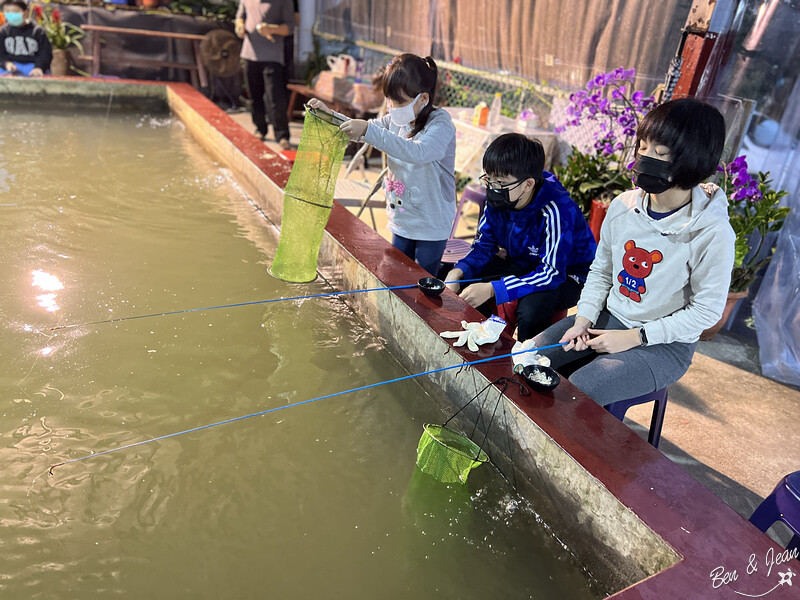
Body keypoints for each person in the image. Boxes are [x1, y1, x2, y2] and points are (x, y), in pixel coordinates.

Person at [529, 98, 735, 406]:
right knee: (529, 357)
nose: (645, 158)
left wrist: (635, 337)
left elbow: (706, 311)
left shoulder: (713, 231)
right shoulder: (623, 206)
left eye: (660, 153)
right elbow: (601, 271)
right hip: (609, 317)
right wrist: (583, 319)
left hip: (664, 346)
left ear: (693, 161)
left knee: (582, 389)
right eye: (643, 147)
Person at [309, 53, 457, 276]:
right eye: (389, 99)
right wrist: (330, 116)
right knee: (395, 276)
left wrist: (368, 131)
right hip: (402, 219)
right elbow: (363, 128)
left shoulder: (440, 124)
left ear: (423, 99)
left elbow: (418, 152)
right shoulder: (395, 121)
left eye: (399, 101)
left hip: (431, 223)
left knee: (422, 279)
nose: (391, 107)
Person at [445, 133, 597, 341]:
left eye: (501, 182)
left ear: (528, 184)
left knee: (532, 308)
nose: (493, 187)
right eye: (489, 179)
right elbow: (483, 247)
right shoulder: (500, 197)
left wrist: (494, 288)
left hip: (568, 275)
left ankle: (527, 354)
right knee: (465, 279)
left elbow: (551, 273)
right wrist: (457, 272)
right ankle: (484, 338)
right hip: (525, 262)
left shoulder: (557, 210)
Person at [235, 0, 293, 150]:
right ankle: (260, 128)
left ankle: (282, 135)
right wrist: (240, 26)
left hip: (272, 56)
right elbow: (240, 17)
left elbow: (290, 28)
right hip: (249, 54)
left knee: (275, 97)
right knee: (254, 95)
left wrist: (271, 29)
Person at [0, 0, 51, 77]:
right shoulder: (3, 31)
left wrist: (39, 67)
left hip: (33, 66)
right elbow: (1, 53)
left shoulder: (37, 31)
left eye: (15, 11)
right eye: (7, 11)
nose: (11, 14)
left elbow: (45, 53)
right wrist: (6, 63)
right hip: (11, 66)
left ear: (25, 13)